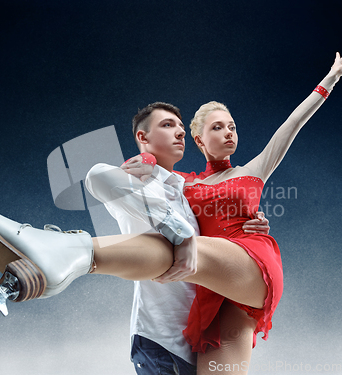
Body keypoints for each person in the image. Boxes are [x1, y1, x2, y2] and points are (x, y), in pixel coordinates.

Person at [0, 52, 342, 374]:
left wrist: (327, 83)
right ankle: (64, 254)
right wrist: (146, 163)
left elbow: (290, 127)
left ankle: (66, 251)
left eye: (234, 126)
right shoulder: (183, 184)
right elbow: (151, 192)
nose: (230, 133)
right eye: (218, 127)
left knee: (180, 247)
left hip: (248, 264)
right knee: (172, 242)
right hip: (211, 293)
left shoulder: (253, 170)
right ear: (198, 138)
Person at [85, 102, 270, 374]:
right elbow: (96, 177)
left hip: (198, 339)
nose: (180, 133)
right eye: (168, 125)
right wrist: (175, 229)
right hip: (161, 340)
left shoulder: (187, 190)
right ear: (142, 137)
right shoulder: (136, 183)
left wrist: (251, 220)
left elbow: (218, 221)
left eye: (182, 128)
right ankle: (61, 252)